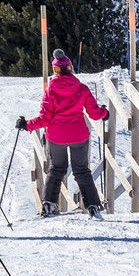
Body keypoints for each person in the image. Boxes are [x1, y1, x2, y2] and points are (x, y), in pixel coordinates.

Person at [19, 49, 107, 218]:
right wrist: (105, 113)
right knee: (81, 170)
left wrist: (27, 125)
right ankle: (93, 206)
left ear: (55, 71)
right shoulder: (81, 88)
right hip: (79, 135)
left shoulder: (50, 91)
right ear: (70, 68)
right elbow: (95, 113)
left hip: (56, 136)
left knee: (57, 168)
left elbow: (44, 119)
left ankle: (49, 204)